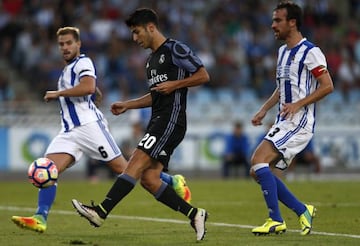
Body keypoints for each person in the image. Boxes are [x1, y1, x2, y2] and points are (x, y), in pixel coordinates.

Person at [11, 26, 191, 233]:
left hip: (89, 127)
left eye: (69, 43)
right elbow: (90, 88)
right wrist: (92, 91)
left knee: (125, 169)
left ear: (78, 44)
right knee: (48, 169)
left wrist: (59, 93)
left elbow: (87, 86)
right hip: (69, 131)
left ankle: (172, 180)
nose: (65, 47)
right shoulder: (67, 70)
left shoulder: (83, 62)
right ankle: (40, 218)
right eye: (61, 44)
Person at [71, 8, 210, 241]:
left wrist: (175, 84)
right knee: (149, 179)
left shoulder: (175, 49)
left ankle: (101, 211)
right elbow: (155, 95)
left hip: (172, 120)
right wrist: (128, 104)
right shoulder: (150, 62)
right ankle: (195, 214)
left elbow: (204, 75)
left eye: (137, 32)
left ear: (151, 27)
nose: (135, 38)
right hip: (158, 119)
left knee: (134, 162)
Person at [250, 1, 334, 236]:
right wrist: (264, 109)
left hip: (300, 122)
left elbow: (327, 86)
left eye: (278, 20)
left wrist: (298, 104)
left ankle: (275, 220)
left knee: (258, 160)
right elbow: (282, 87)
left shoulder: (311, 52)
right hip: (282, 120)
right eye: (273, 20)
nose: (272, 25)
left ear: (293, 22)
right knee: (257, 171)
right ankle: (301, 210)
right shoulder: (282, 51)